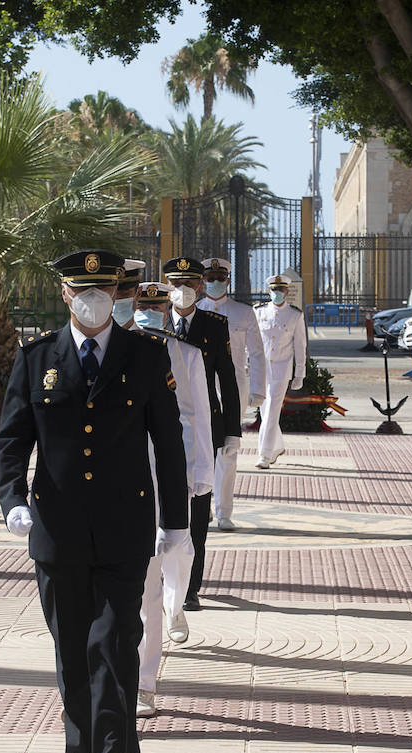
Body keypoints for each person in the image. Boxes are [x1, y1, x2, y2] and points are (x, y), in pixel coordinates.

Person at [0, 249, 190, 753]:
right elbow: (12, 439)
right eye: (83, 290)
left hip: (124, 528)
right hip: (58, 530)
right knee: (72, 649)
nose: (95, 299)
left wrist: (175, 521)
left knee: (116, 646)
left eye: (104, 289)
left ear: (116, 293)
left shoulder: (145, 355)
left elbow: (168, 441)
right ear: (65, 294)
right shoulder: (37, 357)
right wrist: (12, 500)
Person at [131, 281, 213, 718]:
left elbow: (198, 416)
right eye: (138, 303)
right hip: (129, 479)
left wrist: (201, 473)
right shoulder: (121, 350)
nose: (147, 312)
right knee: (145, 579)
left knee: (178, 554)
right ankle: (143, 682)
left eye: (154, 305)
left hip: (171, 471)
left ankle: (176, 603)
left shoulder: (185, 354)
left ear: (166, 311)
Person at [163, 256, 238, 613]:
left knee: (198, 511)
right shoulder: (154, 321)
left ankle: (191, 588)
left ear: (200, 286)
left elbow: (228, 379)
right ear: (167, 286)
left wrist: (233, 431)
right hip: (161, 428)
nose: (183, 290)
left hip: (204, 429)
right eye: (176, 284)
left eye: (190, 283)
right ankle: (163, 581)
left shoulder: (214, 324)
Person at [199, 257, 265, 531]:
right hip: (200, 387)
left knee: (228, 450)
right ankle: (202, 505)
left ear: (228, 280)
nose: (215, 282)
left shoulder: (243, 312)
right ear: (203, 280)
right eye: (210, 278)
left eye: (220, 278)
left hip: (233, 389)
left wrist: (258, 389)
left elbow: (257, 353)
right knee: (200, 448)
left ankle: (224, 511)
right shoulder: (194, 311)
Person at [253, 274, 307, 470]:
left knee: (271, 411)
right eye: (274, 290)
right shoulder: (258, 311)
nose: (277, 293)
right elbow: (251, 340)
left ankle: (264, 454)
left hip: (281, 369)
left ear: (287, 291)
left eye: (281, 289)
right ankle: (277, 446)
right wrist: (246, 362)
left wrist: (300, 373)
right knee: (265, 410)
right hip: (261, 369)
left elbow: (300, 345)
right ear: (269, 291)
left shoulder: (295, 315)